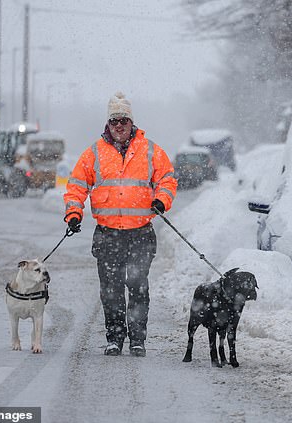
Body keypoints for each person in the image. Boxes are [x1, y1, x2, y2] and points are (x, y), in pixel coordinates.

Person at [63, 92, 177, 357]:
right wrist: (73, 213)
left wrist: (161, 200)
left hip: (140, 233)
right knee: (111, 290)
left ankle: (138, 339)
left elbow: (168, 180)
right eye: (114, 121)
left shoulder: (151, 151)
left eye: (123, 120)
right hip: (108, 234)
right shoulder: (93, 153)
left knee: (138, 286)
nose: (119, 126)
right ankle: (114, 338)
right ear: (108, 123)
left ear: (131, 122)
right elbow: (76, 186)